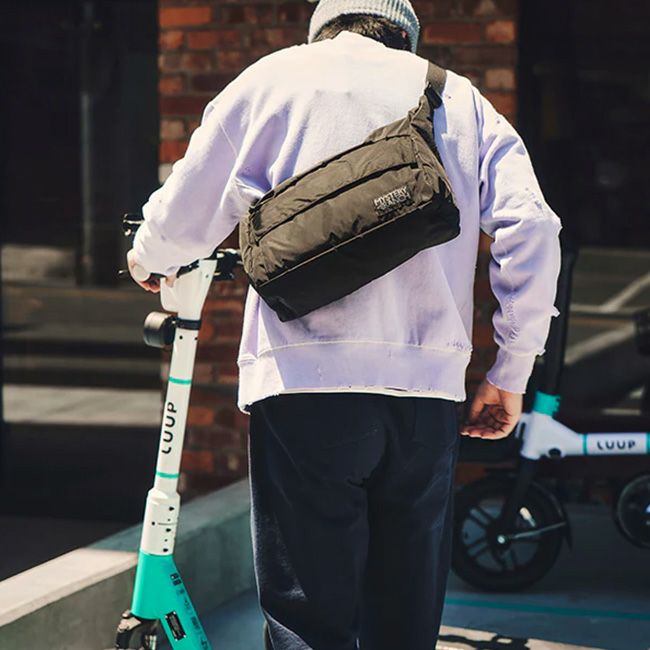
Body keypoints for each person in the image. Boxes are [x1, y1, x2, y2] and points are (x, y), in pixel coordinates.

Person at [127, 1, 562, 648]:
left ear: (322, 28)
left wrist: (147, 258)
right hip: (425, 396)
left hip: (305, 388)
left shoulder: (273, 80)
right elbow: (533, 229)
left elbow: (181, 216)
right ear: (406, 34)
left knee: (308, 619)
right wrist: (510, 371)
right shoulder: (460, 99)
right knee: (404, 620)